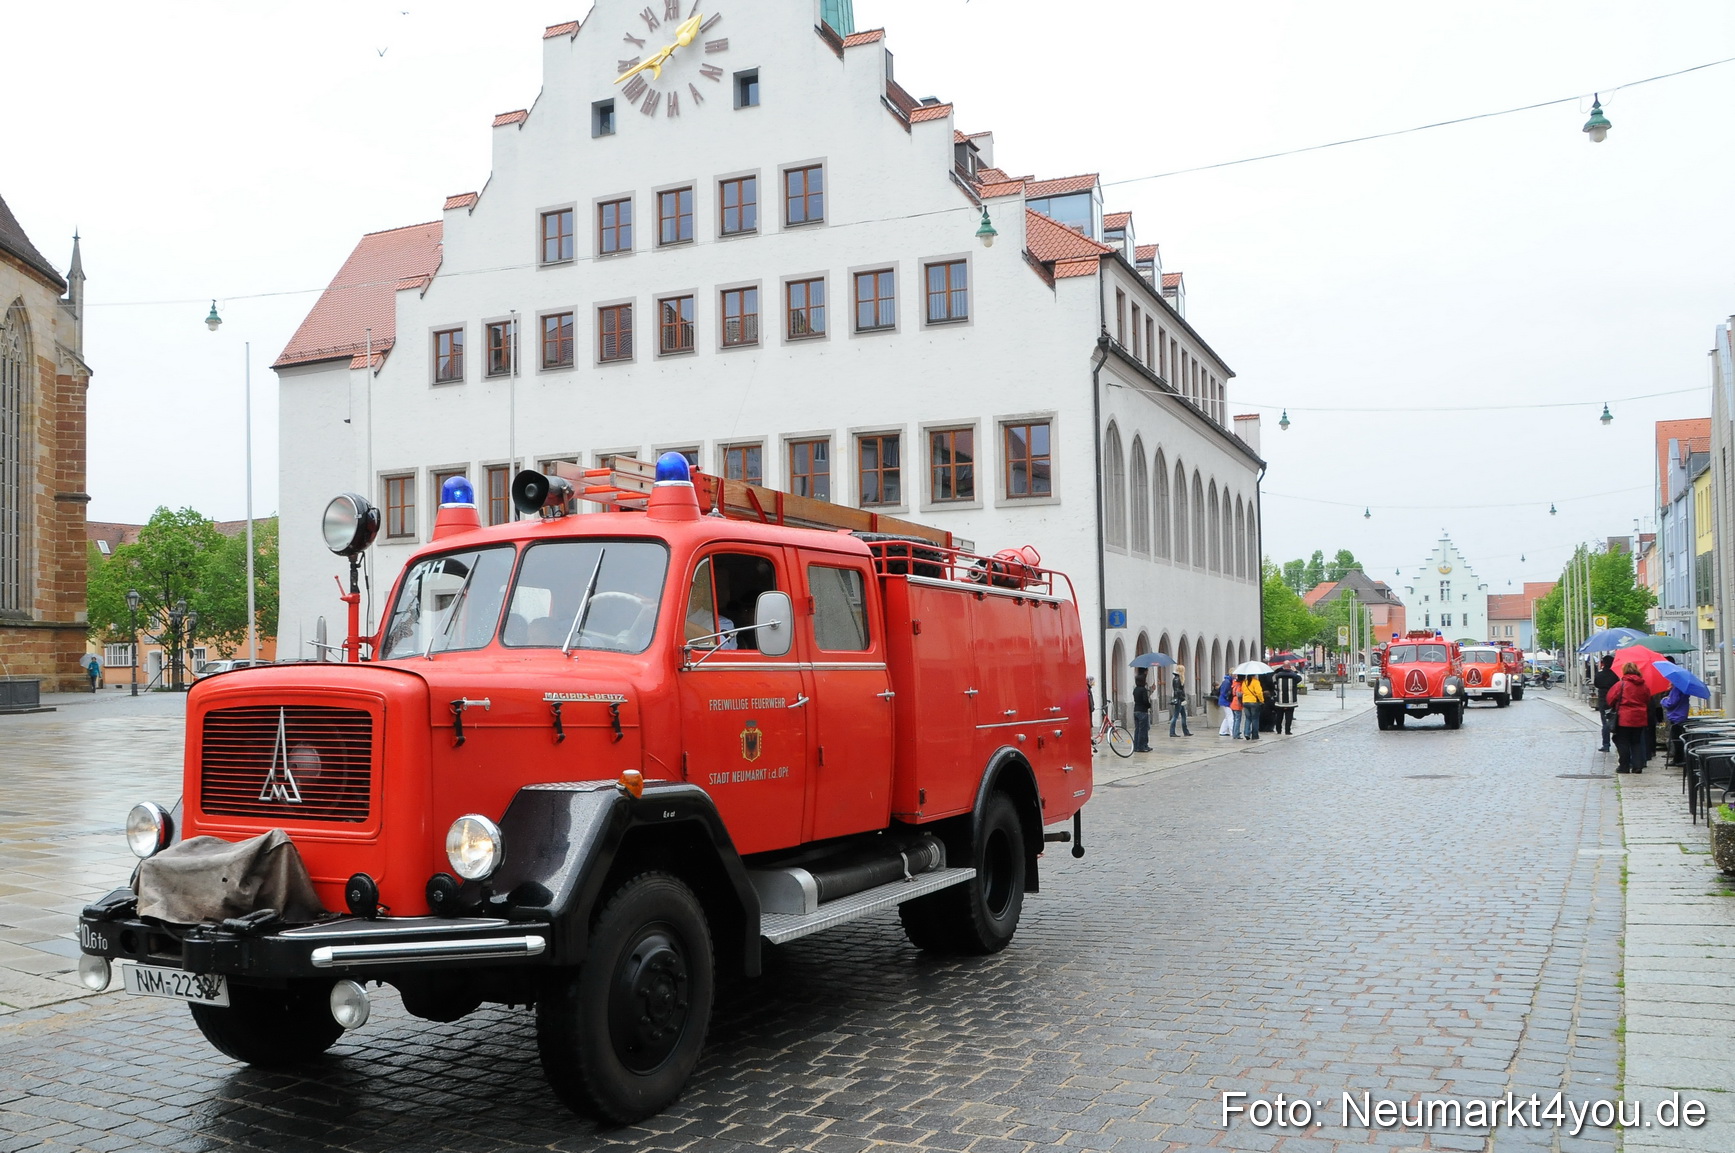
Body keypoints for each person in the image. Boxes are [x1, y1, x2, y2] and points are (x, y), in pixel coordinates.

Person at [1606, 662, 1651, 773]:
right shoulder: (1643, 685)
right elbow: (1648, 699)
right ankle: (1637, 766)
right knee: (1636, 742)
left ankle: (1624, 766)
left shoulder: (1621, 684)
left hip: (1624, 718)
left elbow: (1610, 699)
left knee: (1622, 741)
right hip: (1640, 718)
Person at [1661, 682, 1691, 766]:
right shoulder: (1683, 689)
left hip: (1676, 716)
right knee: (1679, 739)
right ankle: (1679, 758)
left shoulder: (1676, 689)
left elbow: (1671, 703)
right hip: (1681, 715)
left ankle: (1678, 759)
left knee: (1676, 739)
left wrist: (1663, 700)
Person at [1592, 656, 1617, 752]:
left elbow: (1596, 684)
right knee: (1615, 720)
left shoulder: (1599, 674)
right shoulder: (1615, 675)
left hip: (1603, 700)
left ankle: (1606, 744)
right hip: (1614, 699)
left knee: (1605, 722)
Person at [1272, 664, 1302, 734]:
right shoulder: (1294, 676)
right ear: (1290, 667)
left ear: (1283, 667)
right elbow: (1299, 679)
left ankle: (1278, 730)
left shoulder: (1277, 676)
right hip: (1290, 701)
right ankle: (1287, 731)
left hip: (1280, 700)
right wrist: (1295, 671)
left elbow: (1274, 683)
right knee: (1289, 717)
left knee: (1279, 716)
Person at [1131, 669, 1152, 752]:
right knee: (1143, 730)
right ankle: (1142, 746)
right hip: (1143, 711)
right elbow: (1145, 701)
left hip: (1136, 710)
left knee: (1137, 729)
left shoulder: (1135, 690)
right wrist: (1149, 705)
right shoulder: (1143, 690)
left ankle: (1136, 746)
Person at [1169, 665, 1192, 737]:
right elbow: (1177, 690)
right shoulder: (1177, 679)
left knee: (1184, 715)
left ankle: (1186, 731)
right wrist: (1182, 698)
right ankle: (1172, 732)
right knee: (1175, 716)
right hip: (1179, 699)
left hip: (1180, 699)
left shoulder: (1179, 678)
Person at [1240, 672, 1264, 740]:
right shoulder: (1256, 682)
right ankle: (1255, 735)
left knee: (1248, 718)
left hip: (1245, 701)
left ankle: (1246, 733)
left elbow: (1243, 691)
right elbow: (1259, 692)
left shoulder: (1244, 682)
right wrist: (1262, 700)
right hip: (1253, 702)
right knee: (1255, 719)